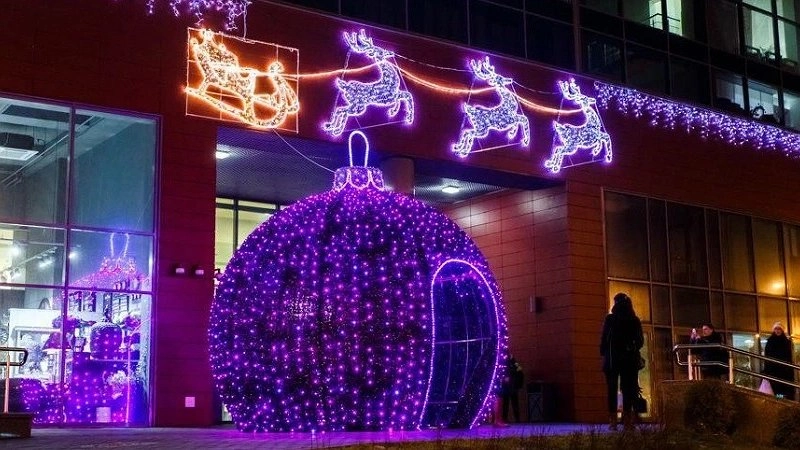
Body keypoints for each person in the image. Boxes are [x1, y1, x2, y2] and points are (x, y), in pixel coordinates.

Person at [600, 292, 644, 431]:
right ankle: (627, 421)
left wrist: (603, 353)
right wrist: (631, 348)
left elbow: (604, 338)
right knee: (628, 390)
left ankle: (613, 421)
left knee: (612, 390)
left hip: (612, 360)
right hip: (629, 360)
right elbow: (640, 341)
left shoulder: (610, 319)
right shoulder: (634, 320)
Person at [764, 322, 794, 399]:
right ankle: (779, 400)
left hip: (784, 370)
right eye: (776, 329)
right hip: (773, 370)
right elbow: (767, 356)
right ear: (773, 330)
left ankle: (782, 400)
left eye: (779, 329)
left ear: (782, 330)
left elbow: (789, 357)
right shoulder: (770, 342)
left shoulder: (786, 342)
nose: (777, 331)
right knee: (776, 388)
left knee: (784, 388)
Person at [500, 355, 524, 423]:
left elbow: (520, 371)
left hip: (511, 386)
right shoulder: (509, 363)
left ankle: (512, 419)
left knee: (509, 403)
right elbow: (520, 371)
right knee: (510, 403)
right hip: (510, 386)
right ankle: (514, 419)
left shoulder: (510, 363)